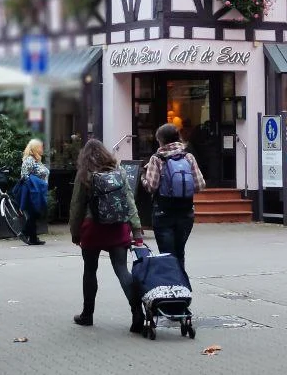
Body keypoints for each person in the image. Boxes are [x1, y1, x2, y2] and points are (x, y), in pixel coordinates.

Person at [69, 138, 145, 331]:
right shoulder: (118, 171)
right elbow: (129, 201)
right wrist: (136, 230)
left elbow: (77, 206)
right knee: (121, 270)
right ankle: (137, 314)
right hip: (118, 226)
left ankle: (87, 314)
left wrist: (75, 231)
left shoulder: (84, 173)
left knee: (90, 270)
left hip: (92, 228)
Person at [141, 123, 205, 275]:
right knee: (179, 252)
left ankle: (171, 289)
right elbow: (200, 185)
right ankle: (183, 289)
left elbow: (151, 186)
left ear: (161, 140)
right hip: (186, 212)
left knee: (167, 255)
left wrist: (143, 177)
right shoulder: (188, 156)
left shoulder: (157, 159)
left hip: (163, 213)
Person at [18, 138, 50, 246]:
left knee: (34, 213)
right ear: (35, 148)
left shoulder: (37, 159)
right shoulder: (29, 160)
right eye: (40, 147)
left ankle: (33, 237)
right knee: (35, 212)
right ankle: (24, 233)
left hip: (39, 190)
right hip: (33, 191)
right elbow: (24, 176)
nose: (42, 149)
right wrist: (34, 188)